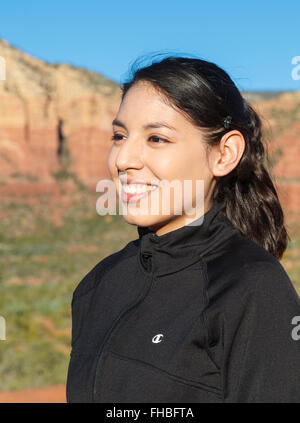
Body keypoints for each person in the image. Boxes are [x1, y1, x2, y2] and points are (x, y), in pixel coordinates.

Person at [66, 55, 300, 403]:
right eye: (119, 135)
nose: (123, 160)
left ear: (224, 154)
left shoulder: (254, 289)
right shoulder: (99, 284)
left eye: (157, 139)